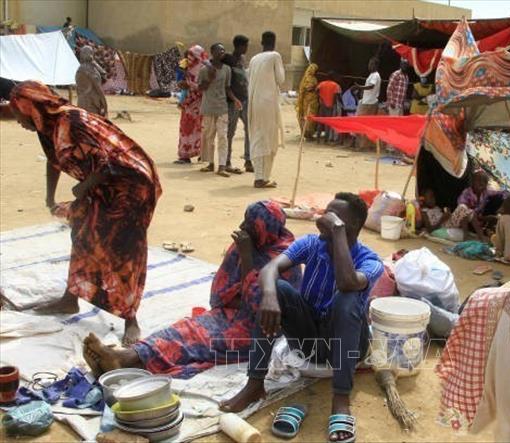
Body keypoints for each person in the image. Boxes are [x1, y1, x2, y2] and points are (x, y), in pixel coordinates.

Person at [220, 193, 384, 443]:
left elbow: (347, 282)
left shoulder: (370, 260)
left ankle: (341, 398)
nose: (323, 218)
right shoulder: (311, 244)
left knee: (348, 298)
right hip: (309, 342)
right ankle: (254, 384)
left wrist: (338, 232)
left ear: (349, 226)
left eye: (332, 215)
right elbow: (270, 269)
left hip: (347, 346)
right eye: (325, 212)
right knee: (277, 288)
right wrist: (269, 296)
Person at [10, 81, 161, 345]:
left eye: (19, 115)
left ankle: (130, 318)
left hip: (131, 183)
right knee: (82, 231)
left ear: (30, 109)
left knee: (123, 247)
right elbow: (54, 161)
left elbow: (108, 160)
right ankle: (70, 299)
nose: (19, 122)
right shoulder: (46, 126)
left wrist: (82, 187)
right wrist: (49, 197)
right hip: (102, 183)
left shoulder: (71, 121)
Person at [81, 201, 301, 378]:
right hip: (231, 313)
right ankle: (126, 358)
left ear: (264, 230)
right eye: (244, 220)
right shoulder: (248, 244)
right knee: (185, 328)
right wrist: (243, 259)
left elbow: (260, 307)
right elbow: (220, 295)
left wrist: (246, 258)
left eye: (250, 225)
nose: (242, 227)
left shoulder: (285, 258)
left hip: (260, 329)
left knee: (199, 342)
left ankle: (125, 360)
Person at [248, 31, 285, 189]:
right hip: (268, 103)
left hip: (255, 102)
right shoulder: (275, 56)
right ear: (274, 42)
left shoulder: (254, 58)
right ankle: (262, 178)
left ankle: (260, 176)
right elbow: (281, 79)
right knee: (269, 138)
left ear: (261, 42)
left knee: (258, 136)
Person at [198, 43, 243, 176]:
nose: (222, 52)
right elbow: (200, 88)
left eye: (223, 50)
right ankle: (210, 163)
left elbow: (227, 88)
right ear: (212, 52)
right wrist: (210, 78)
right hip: (208, 107)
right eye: (219, 50)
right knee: (209, 136)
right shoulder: (204, 70)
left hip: (222, 107)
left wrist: (235, 99)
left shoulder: (226, 69)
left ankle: (222, 166)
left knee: (223, 136)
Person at [174, 45, 208, 164]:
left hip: (199, 102)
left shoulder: (205, 69)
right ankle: (186, 154)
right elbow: (181, 81)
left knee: (200, 128)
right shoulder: (187, 67)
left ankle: (201, 154)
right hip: (189, 103)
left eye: (192, 55)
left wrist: (189, 85)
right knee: (187, 128)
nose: (189, 58)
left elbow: (204, 86)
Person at [225, 35, 253, 173]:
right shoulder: (228, 60)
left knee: (249, 129)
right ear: (240, 46)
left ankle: (248, 160)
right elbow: (226, 83)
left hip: (245, 100)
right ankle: (227, 161)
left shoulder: (242, 59)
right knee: (230, 132)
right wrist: (234, 98)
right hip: (232, 102)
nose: (247, 48)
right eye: (246, 46)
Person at [353, 57, 381, 149]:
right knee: (365, 124)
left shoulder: (375, 75)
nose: (369, 65)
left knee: (362, 123)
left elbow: (371, 86)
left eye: (371, 64)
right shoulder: (372, 75)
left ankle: (363, 145)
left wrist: (360, 87)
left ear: (375, 65)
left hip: (369, 103)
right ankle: (364, 145)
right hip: (367, 101)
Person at [75, 46, 108, 117]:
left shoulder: (81, 68)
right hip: (90, 103)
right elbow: (98, 88)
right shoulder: (88, 69)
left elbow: (104, 73)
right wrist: (104, 104)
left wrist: (95, 64)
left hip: (83, 101)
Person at [316, 71, 342, 143]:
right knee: (328, 123)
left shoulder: (321, 84)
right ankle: (326, 139)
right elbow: (336, 95)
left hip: (322, 105)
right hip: (330, 105)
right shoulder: (336, 85)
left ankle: (318, 138)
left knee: (320, 122)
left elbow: (316, 90)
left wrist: (320, 98)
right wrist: (333, 103)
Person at [296, 63, 319, 141]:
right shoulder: (308, 78)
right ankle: (307, 134)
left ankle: (310, 134)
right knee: (308, 117)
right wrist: (316, 88)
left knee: (312, 117)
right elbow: (308, 88)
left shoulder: (313, 78)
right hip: (308, 101)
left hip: (313, 101)